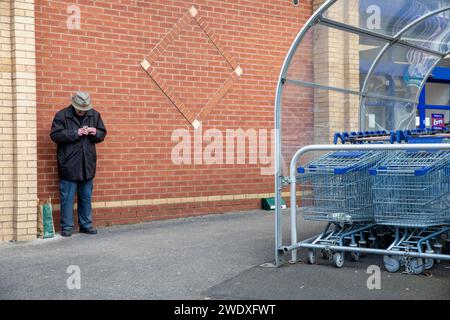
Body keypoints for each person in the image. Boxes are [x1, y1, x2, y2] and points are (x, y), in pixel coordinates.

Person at [50, 92, 107, 237]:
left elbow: (102, 133)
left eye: (85, 109)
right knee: (67, 197)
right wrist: (76, 133)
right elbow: (55, 135)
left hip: (87, 164)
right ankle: (67, 227)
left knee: (86, 196)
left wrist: (96, 132)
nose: (83, 111)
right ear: (73, 104)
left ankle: (86, 225)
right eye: (80, 108)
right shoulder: (62, 115)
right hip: (69, 164)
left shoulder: (94, 115)